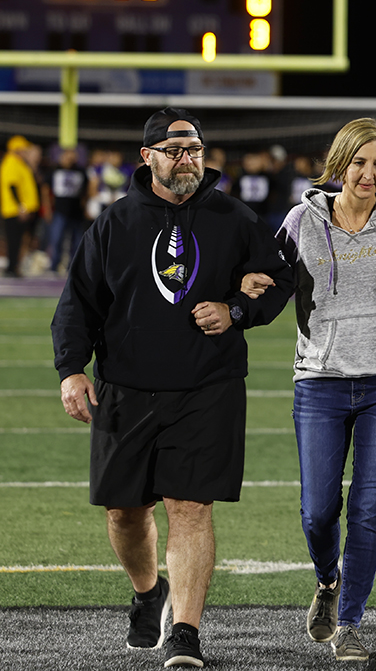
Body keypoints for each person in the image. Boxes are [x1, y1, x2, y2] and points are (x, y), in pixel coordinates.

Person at [51, 107, 294, 668]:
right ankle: (147, 592)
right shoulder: (113, 223)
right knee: (124, 513)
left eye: (195, 151)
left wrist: (236, 310)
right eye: (175, 150)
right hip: (125, 389)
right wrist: (71, 370)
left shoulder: (235, 217)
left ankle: (185, 632)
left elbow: (281, 280)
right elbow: (77, 304)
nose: (187, 161)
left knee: (190, 508)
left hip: (207, 386)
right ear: (148, 157)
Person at [241, 118, 376, 662]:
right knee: (319, 511)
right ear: (339, 164)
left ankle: (352, 622)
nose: (371, 173)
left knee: (367, 508)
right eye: (361, 162)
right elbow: (267, 278)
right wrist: (247, 286)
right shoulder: (300, 219)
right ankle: (327, 580)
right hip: (318, 381)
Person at [2, 135, 41, 277]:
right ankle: (11, 268)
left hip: (19, 209)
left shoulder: (19, 163)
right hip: (15, 210)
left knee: (18, 240)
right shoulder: (11, 162)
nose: (25, 152)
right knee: (14, 240)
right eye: (23, 149)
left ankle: (14, 267)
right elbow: (12, 186)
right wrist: (21, 207)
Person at [46, 147, 89, 273]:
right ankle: (54, 266)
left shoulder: (81, 171)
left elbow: (85, 191)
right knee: (57, 239)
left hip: (76, 211)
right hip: (60, 210)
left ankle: (73, 267)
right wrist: (48, 208)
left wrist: (84, 205)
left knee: (76, 242)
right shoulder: (55, 170)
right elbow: (46, 189)